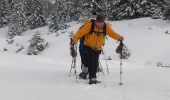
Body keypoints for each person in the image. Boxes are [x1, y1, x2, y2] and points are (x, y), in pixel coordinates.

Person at [70, 15, 124, 84]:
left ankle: (93, 77)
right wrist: (73, 41)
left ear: (103, 22)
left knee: (95, 62)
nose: (100, 24)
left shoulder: (106, 26)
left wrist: (119, 37)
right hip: (88, 46)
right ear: (96, 21)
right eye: (98, 23)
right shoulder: (90, 25)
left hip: (98, 47)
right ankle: (92, 78)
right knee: (91, 60)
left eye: (101, 23)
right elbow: (80, 33)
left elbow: (112, 33)